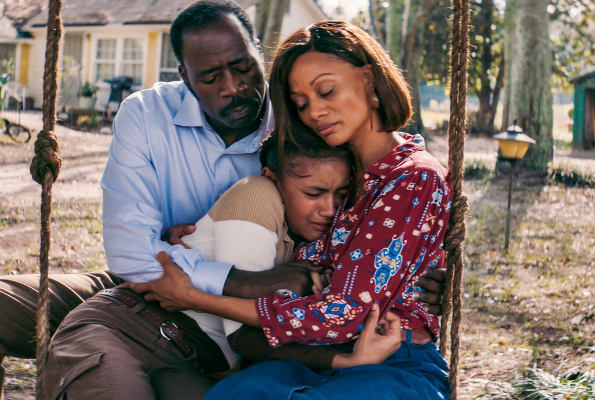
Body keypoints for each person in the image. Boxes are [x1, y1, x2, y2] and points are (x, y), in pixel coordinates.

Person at [132, 20, 452, 399]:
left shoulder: (414, 177)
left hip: (391, 359)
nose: (314, 111)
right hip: (310, 357)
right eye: (301, 103)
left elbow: (343, 311)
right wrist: (200, 240)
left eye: (326, 91)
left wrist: (195, 296)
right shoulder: (334, 175)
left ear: (368, 80)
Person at [42, 132, 402, 400]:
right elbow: (244, 337)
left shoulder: (324, 235)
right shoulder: (257, 195)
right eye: (314, 193)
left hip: (192, 361)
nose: (329, 209)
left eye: (341, 194)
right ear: (272, 178)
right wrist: (344, 360)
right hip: (125, 329)